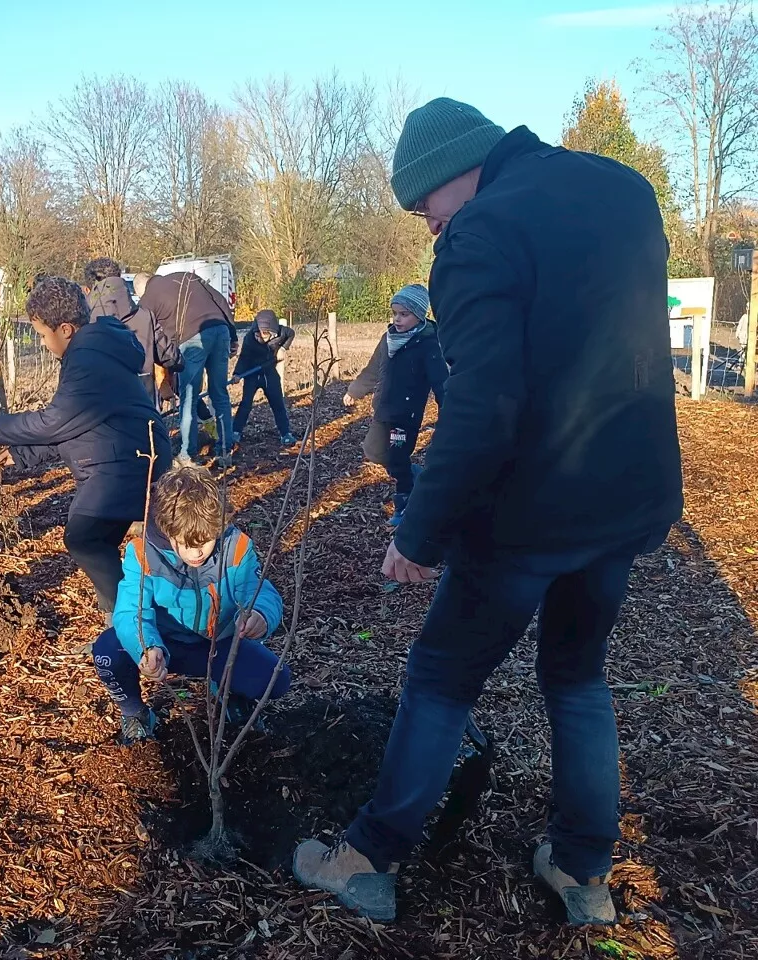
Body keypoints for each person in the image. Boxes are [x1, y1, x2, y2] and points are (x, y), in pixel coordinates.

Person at [291, 99, 683, 926]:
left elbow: (483, 409)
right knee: (577, 677)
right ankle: (582, 871)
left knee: (440, 679)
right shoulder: (624, 190)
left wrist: (419, 533)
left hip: (527, 515)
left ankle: (369, 857)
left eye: (423, 206)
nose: (428, 227)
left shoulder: (479, 235)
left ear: (450, 173)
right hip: (624, 500)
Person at [0, 277, 171, 616]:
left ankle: (132, 619)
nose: (42, 342)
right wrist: (22, 453)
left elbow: (58, 419)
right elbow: (78, 426)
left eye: (41, 334)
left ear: (65, 328)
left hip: (123, 464)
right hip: (129, 455)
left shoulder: (87, 358)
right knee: (98, 541)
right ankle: (124, 619)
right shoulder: (95, 350)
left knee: (84, 538)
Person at [92, 463, 291, 743]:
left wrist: (260, 613)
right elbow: (130, 611)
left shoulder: (236, 547)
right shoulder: (143, 553)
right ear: (166, 530)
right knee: (108, 650)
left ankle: (229, 694)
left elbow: (256, 588)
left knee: (275, 679)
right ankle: (135, 713)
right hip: (165, 643)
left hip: (217, 645)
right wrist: (146, 646)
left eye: (205, 541)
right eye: (185, 543)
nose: (196, 552)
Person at [342, 284, 448, 526]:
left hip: (406, 415)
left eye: (404, 314)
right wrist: (355, 390)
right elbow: (372, 370)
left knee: (398, 458)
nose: (397, 319)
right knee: (373, 450)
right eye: (395, 313)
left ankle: (404, 506)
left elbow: (441, 382)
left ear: (419, 315)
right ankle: (418, 478)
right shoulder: (388, 338)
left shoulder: (428, 344)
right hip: (383, 409)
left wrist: (447, 412)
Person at [134, 272, 238, 467]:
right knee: (220, 393)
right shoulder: (186, 277)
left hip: (193, 340)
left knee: (189, 397)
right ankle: (225, 449)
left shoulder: (148, 297)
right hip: (220, 330)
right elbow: (221, 300)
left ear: (141, 291)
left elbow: (147, 335)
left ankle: (187, 455)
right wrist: (232, 336)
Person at [84, 258, 182, 404]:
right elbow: (170, 356)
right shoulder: (145, 316)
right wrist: (179, 363)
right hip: (142, 403)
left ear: (88, 289)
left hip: (98, 407)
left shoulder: (83, 321)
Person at [230, 310, 296, 447]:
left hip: (270, 374)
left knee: (278, 404)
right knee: (245, 404)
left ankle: (286, 434)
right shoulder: (249, 338)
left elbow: (291, 334)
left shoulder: (282, 333)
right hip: (252, 375)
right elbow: (244, 357)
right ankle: (235, 432)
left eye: (265, 334)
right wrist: (237, 374)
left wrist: (283, 349)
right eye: (258, 334)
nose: (261, 337)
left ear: (273, 331)